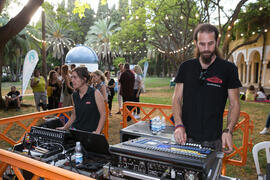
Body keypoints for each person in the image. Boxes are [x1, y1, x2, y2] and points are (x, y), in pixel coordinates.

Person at [172, 23, 241, 154]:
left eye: (210, 43)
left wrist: (228, 130)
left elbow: (235, 103)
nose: (206, 48)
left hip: (214, 140)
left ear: (217, 42)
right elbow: (176, 99)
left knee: (211, 174)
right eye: (202, 44)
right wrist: (179, 125)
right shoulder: (185, 67)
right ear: (195, 43)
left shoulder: (229, 69)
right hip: (185, 137)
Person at [57, 67, 105, 133]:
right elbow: (74, 114)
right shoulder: (74, 95)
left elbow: (103, 114)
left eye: (75, 77)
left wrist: (97, 131)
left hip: (90, 133)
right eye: (72, 77)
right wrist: (65, 127)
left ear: (84, 79)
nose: (72, 80)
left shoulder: (95, 93)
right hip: (77, 131)